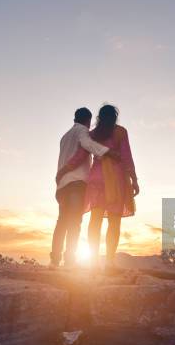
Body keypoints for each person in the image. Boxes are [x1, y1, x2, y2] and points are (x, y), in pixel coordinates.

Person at [57, 104, 139, 271]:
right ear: (115, 117)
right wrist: (134, 179)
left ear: (99, 118)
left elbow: (79, 157)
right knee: (114, 222)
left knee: (95, 221)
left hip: (95, 180)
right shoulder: (121, 132)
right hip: (115, 181)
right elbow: (126, 157)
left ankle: (94, 262)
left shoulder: (93, 134)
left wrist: (63, 170)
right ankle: (109, 262)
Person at [51, 107, 120, 269]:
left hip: (62, 185)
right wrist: (108, 152)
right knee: (75, 222)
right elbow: (87, 144)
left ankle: (54, 260)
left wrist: (61, 173)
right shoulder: (83, 131)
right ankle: (69, 261)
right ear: (88, 121)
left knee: (62, 222)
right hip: (76, 182)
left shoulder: (64, 136)